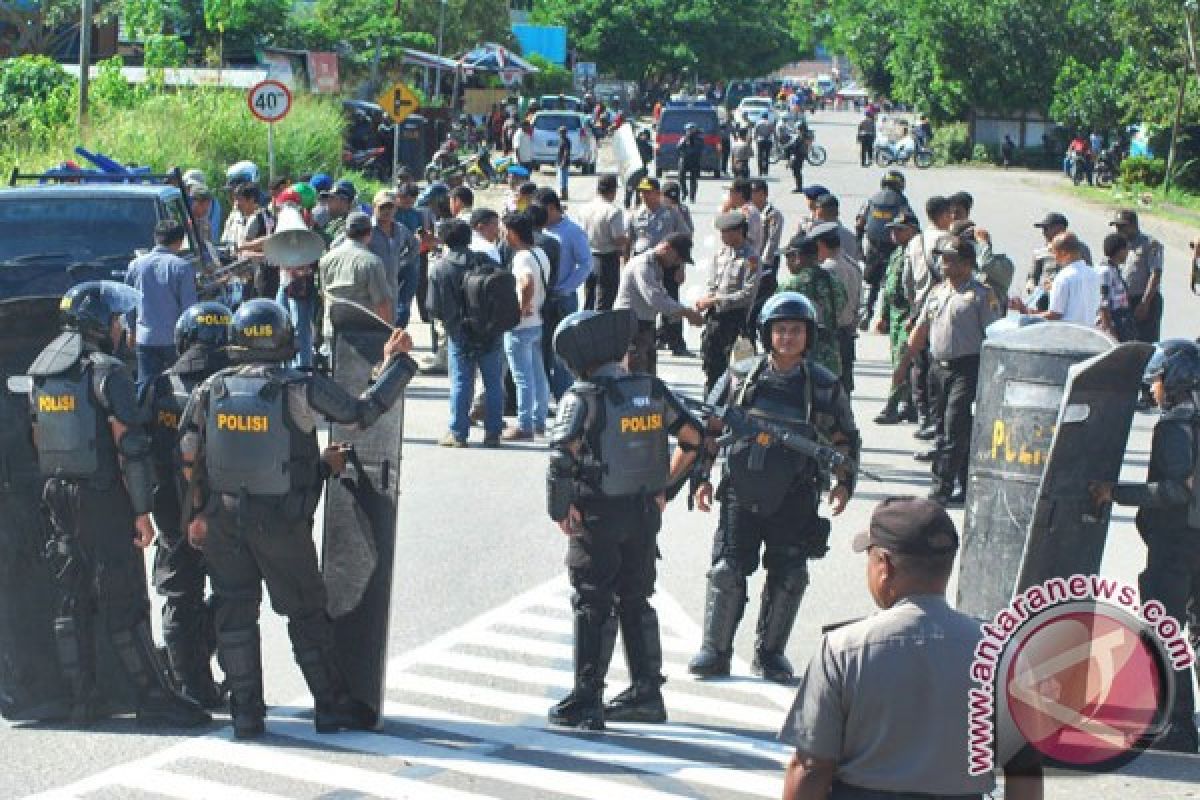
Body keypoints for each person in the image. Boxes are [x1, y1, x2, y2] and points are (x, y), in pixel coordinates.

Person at [179, 299, 416, 739]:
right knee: (306, 613)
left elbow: (189, 456)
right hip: (280, 523)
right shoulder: (299, 387)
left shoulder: (210, 388)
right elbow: (362, 414)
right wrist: (396, 366)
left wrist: (195, 517)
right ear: (284, 340)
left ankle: (245, 716)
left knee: (234, 614)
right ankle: (329, 706)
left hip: (223, 519)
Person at [27, 281, 209, 727]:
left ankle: (82, 699)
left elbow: (37, 436)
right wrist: (142, 511)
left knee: (72, 598)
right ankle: (151, 696)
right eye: (115, 320)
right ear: (99, 323)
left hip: (57, 494)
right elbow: (129, 445)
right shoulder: (107, 370)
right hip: (103, 496)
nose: (120, 328)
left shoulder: (42, 368)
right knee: (123, 598)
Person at [780, 496, 1043, 799]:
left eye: (869, 556)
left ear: (885, 566)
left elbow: (810, 767)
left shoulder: (843, 650)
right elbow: (1025, 772)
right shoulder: (1003, 653)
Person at [545, 309, 708, 730]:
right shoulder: (652, 389)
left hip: (597, 513)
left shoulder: (582, 396)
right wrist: (665, 488)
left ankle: (588, 700)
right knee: (636, 598)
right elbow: (693, 438)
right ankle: (646, 692)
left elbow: (561, 455)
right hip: (642, 513)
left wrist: (561, 508)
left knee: (592, 602)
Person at [688, 293, 859, 684]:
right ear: (767, 333)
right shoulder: (738, 377)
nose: (787, 337)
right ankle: (714, 651)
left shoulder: (823, 385)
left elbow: (845, 437)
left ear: (808, 335)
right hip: (739, 491)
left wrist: (845, 484)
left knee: (790, 573)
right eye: (780, 330)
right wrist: (700, 478)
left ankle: (770, 654)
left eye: (795, 330)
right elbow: (710, 431)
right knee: (727, 571)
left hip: (797, 494)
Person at [1089, 340, 1200, 754]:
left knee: (1166, 629)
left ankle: (1178, 725)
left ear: (1174, 378)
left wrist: (1115, 493)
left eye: (1156, 379)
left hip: (1176, 543)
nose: (1152, 387)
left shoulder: (1174, 426)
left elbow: (1174, 491)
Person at [144, 301, 232, 709]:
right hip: (228, 513)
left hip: (171, 515)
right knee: (235, 595)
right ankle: (209, 676)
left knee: (180, 599)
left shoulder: (159, 386)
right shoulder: (237, 384)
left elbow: (135, 452)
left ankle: (190, 684)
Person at [894, 235, 1003, 505]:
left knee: (954, 427)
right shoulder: (938, 292)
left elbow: (995, 336)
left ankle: (941, 487)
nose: (943, 264)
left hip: (967, 368)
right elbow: (920, 331)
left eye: (950, 259)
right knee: (943, 426)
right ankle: (965, 486)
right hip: (937, 368)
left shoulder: (980, 295)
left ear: (967, 264)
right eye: (942, 259)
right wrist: (903, 365)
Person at [427, 219, 506, 448]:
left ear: (444, 240)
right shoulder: (487, 262)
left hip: (459, 333)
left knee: (462, 381)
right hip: (490, 332)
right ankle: (493, 433)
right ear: (469, 238)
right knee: (493, 382)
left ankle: (458, 433)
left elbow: (432, 308)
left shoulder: (441, 268)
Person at [124, 220, 198, 400]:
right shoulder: (182, 267)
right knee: (178, 386)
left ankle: (143, 423)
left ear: (155, 238)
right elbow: (189, 310)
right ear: (180, 242)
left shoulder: (136, 265)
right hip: (174, 340)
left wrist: (130, 330)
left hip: (145, 338)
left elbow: (128, 302)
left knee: (145, 385)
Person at [615, 234, 705, 375]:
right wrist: (687, 313)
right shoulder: (642, 265)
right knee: (635, 378)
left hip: (644, 326)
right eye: (677, 258)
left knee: (649, 378)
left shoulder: (655, 266)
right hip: (631, 328)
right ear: (666, 248)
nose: (676, 263)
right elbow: (656, 300)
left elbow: (663, 297)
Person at [500, 211, 552, 440]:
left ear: (512, 233)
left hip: (521, 325)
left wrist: (521, 307)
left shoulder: (521, 257)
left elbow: (526, 281)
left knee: (522, 376)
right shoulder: (540, 253)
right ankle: (539, 420)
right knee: (538, 374)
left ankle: (524, 424)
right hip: (537, 322)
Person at [537, 189, 593, 399]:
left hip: (563, 299)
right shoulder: (538, 229)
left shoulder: (571, 231)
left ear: (552, 208)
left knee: (562, 350)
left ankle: (563, 396)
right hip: (541, 298)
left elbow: (585, 264)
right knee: (540, 349)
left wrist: (566, 287)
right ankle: (543, 395)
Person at [699, 212, 761, 394]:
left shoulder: (751, 259)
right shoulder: (720, 255)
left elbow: (748, 294)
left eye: (726, 232)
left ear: (739, 232)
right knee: (712, 369)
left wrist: (717, 299)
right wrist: (708, 300)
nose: (722, 236)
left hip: (736, 323)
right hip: (715, 321)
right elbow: (713, 284)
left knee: (740, 373)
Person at [873, 211, 921, 425]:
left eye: (900, 230)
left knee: (902, 361)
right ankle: (908, 405)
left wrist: (914, 315)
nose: (894, 234)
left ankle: (892, 405)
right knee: (898, 360)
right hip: (894, 314)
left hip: (907, 313)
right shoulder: (896, 253)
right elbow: (887, 286)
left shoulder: (917, 253)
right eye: (893, 230)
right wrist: (882, 315)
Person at [776, 231, 847, 377]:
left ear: (797, 257)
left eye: (788, 257)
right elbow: (842, 305)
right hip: (831, 354)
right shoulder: (834, 281)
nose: (787, 263)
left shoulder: (791, 285)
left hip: (801, 356)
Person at [318, 212, 392, 342]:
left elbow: (324, 295)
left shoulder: (326, 259)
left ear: (346, 233)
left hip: (333, 331)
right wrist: (388, 335)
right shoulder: (372, 262)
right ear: (369, 233)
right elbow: (382, 303)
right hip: (363, 334)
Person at [855, 170, 914, 330]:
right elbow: (910, 223)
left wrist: (858, 245)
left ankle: (866, 313)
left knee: (871, 282)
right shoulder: (902, 201)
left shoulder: (872, 200)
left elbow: (859, 222)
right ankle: (885, 319)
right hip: (894, 247)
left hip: (874, 246)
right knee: (893, 283)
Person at [811, 222, 862, 395]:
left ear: (821, 245)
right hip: (848, 333)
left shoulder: (826, 270)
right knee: (844, 388)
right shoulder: (853, 265)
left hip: (831, 337)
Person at [1009, 232, 1100, 325]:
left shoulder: (1063, 278)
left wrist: (1024, 311)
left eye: (1054, 253)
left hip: (1067, 335)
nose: (1055, 258)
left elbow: (1054, 316)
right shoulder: (1094, 274)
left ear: (1064, 253)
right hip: (1088, 333)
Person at [1111, 209, 1164, 344]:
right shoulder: (1121, 244)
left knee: (1145, 342)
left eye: (1122, 226)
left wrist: (1145, 302)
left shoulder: (1150, 244)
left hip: (1144, 300)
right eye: (1116, 226)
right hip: (1125, 301)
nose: (1118, 230)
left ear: (1133, 225)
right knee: (1124, 342)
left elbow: (1155, 274)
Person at [368, 189, 420, 325]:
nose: (387, 211)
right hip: (370, 288)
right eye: (383, 207)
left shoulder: (400, 229)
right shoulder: (366, 229)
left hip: (392, 287)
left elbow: (415, 245)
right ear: (374, 207)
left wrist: (402, 262)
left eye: (390, 207)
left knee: (390, 327)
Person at [577, 174, 627, 312]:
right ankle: (599, 331)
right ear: (613, 191)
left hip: (588, 257)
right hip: (607, 259)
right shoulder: (613, 211)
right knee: (604, 302)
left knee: (589, 299)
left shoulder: (585, 208)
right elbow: (617, 239)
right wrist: (627, 239)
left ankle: (585, 329)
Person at [1095, 232, 1137, 342]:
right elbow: (1103, 303)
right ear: (1120, 250)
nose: (1128, 253)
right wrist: (1110, 330)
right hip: (1112, 324)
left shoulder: (1114, 269)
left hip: (1121, 321)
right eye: (1127, 249)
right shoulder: (1105, 271)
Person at [624, 128, 656, 209]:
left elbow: (650, 158)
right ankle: (627, 208)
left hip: (642, 172)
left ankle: (637, 209)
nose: (644, 137)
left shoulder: (648, 146)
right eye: (642, 135)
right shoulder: (632, 144)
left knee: (641, 192)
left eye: (645, 135)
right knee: (629, 191)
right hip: (632, 171)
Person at [319, 180, 357, 244]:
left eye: (332, 197)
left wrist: (315, 229)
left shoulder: (353, 226)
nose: (328, 201)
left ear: (344, 201)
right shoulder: (335, 221)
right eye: (327, 197)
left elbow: (334, 246)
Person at [678, 122, 706, 203]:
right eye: (688, 130)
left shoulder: (699, 139)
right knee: (681, 177)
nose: (689, 131)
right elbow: (678, 148)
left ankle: (692, 196)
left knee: (693, 179)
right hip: (684, 160)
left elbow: (700, 149)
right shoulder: (683, 138)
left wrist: (693, 145)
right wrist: (684, 141)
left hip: (694, 160)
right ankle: (684, 192)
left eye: (691, 130)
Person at [555, 126, 572, 200]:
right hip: (561, 161)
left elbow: (566, 153)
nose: (560, 133)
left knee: (563, 179)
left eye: (562, 132)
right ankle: (564, 195)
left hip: (563, 162)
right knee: (562, 179)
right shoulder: (562, 140)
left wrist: (563, 162)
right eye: (560, 132)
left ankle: (564, 195)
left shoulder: (565, 141)